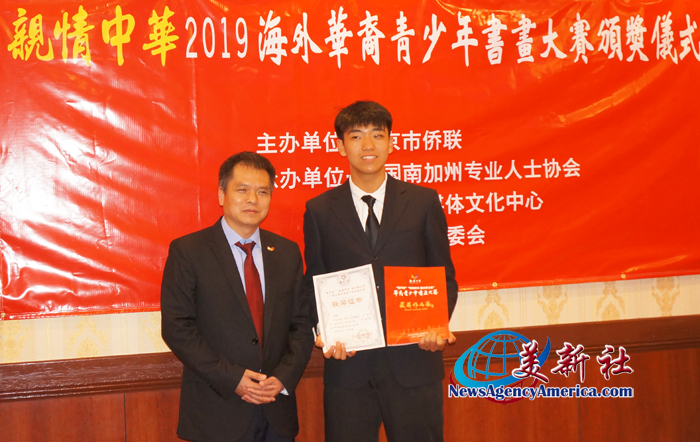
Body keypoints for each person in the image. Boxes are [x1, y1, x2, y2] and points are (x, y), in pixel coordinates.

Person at [303, 101, 458, 442]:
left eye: (377, 135)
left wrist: (436, 324)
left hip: (415, 361)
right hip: (349, 367)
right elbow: (314, 280)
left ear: (391, 143)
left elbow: (443, 273)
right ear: (341, 146)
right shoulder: (319, 210)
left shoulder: (423, 201)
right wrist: (325, 331)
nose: (368, 145)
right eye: (356, 136)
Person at [161, 151, 314, 442]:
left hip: (276, 410)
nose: (252, 199)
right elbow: (177, 329)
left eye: (262, 192)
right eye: (242, 190)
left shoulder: (287, 252)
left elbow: (302, 324)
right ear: (222, 194)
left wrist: (283, 378)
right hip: (217, 411)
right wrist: (233, 379)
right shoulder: (189, 252)